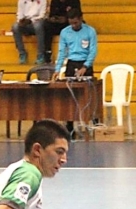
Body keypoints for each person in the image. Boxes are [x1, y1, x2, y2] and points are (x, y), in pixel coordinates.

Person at [52, 8, 97, 136]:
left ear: (81, 19)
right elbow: (62, 52)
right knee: (69, 96)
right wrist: (57, 69)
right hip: (71, 64)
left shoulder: (90, 31)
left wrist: (85, 66)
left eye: (76, 23)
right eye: (72, 23)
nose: (74, 26)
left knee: (88, 95)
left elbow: (93, 51)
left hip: (85, 64)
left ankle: (94, 123)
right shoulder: (64, 32)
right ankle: (70, 126)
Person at [13, 0, 47, 65]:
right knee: (15, 27)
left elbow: (42, 15)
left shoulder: (43, 1)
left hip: (36, 21)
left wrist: (31, 21)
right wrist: (20, 21)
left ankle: (40, 54)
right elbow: (19, 14)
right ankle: (22, 53)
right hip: (25, 23)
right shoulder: (21, 1)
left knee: (38, 26)